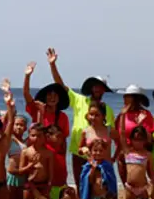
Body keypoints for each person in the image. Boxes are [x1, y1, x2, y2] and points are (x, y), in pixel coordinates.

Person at [46, 48, 114, 182]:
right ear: (91, 88)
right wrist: (53, 65)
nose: (97, 89)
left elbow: (112, 135)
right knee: (80, 185)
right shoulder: (79, 100)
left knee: (98, 187)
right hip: (79, 152)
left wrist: (113, 157)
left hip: (99, 156)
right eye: (95, 86)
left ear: (104, 90)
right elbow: (61, 85)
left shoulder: (108, 109)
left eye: (100, 87)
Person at [22, 56, 69, 199]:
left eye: (55, 95)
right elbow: (27, 95)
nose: (52, 97)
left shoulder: (62, 117)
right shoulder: (37, 110)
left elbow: (63, 142)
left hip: (56, 163)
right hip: (37, 163)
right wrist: (27, 76)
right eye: (49, 95)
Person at [113, 85, 154, 155]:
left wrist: (140, 125)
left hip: (139, 156)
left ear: (135, 99)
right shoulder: (122, 115)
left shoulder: (145, 114)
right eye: (124, 96)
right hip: (123, 155)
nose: (123, 98)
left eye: (127, 96)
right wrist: (115, 157)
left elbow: (150, 140)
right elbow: (118, 139)